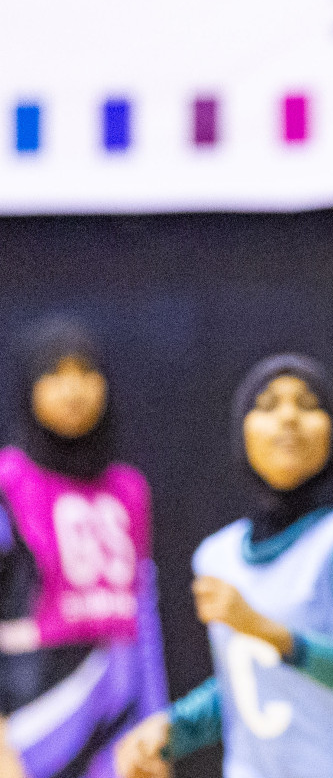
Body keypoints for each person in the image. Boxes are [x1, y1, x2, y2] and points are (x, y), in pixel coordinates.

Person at [113, 354, 333, 778]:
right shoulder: (218, 555)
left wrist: (266, 629)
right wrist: (175, 728)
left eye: (308, 404)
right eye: (268, 404)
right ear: (242, 434)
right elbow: (255, 683)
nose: (288, 417)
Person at [0, 319, 167, 778]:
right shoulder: (8, 481)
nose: (73, 390)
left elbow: (144, 617)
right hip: (30, 725)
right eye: (55, 374)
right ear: (29, 387)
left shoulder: (128, 488)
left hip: (117, 722)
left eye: (85, 373)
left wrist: (156, 730)